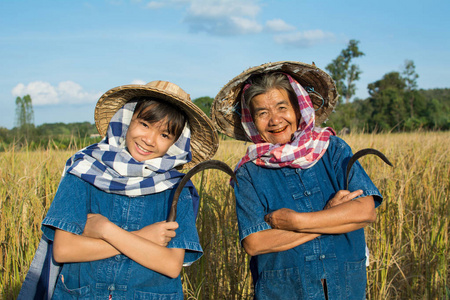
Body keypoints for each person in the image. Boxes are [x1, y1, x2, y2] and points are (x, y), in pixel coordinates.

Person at [19, 80, 218, 299]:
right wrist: (144, 238)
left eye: (164, 135)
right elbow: (64, 250)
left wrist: (105, 230)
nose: (149, 140)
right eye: (144, 124)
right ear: (126, 120)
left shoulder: (176, 188)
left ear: (175, 143)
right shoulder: (84, 170)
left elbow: (171, 265)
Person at [211, 61, 382, 300]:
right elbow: (255, 242)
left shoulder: (333, 149)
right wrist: (332, 215)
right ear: (252, 120)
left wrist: (294, 221)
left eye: (282, 108)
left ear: (299, 108)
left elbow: (364, 213)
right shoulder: (248, 172)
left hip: (345, 288)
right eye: (262, 113)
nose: (274, 120)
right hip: (283, 291)